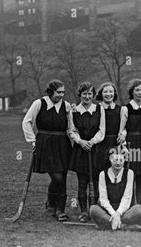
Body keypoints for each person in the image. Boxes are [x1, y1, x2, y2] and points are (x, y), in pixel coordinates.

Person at [22, 79, 71, 221]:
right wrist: (33, 141)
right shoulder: (39, 103)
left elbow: (71, 127)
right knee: (57, 177)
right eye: (58, 92)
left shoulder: (66, 106)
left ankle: (59, 209)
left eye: (63, 92)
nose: (61, 95)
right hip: (45, 144)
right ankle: (51, 201)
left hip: (63, 144)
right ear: (51, 91)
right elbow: (27, 122)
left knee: (63, 177)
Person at [68, 81, 106, 223]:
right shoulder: (74, 111)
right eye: (84, 93)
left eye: (90, 93)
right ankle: (84, 212)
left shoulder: (99, 109)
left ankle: (94, 210)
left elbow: (102, 130)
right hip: (81, 150)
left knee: (95, 182)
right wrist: (81, 142)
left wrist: (92, 141)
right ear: (80, 95)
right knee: (82, 182)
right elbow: (72, 131)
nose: (87, 96)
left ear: (93, 95)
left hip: (95, 149)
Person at [89, 146, 141, 231]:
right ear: (110, 160)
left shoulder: (129, 173)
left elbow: (127, 197)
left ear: (124, 160)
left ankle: (108, 224)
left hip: (124, 212)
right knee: (93, 209)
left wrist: (118, 213)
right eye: (115, 160)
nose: (118, 163)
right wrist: (113, 214)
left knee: (138, 209)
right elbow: (103, 199)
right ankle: (123, 226)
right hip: (108, 211)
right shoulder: (103, 174)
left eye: (121, 160)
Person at [119, 79, 141, 203]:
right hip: (131, 145)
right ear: (132, 92)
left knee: (140, 178)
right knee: (130, 177)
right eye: (137, 90)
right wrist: (124, 147)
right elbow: (122, 130)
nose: (139, 93)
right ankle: (131, 207)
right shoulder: (126, 109)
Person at [95, 82, 123, 172]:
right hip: (100, 144)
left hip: (115, 143)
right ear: (101, 94)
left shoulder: (120, 109)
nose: (108, 94)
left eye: (111, 91)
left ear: (114, 93)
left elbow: (124, 126)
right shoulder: (96, 109)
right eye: (105, 92)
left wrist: (123, 134)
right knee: (100, 171)